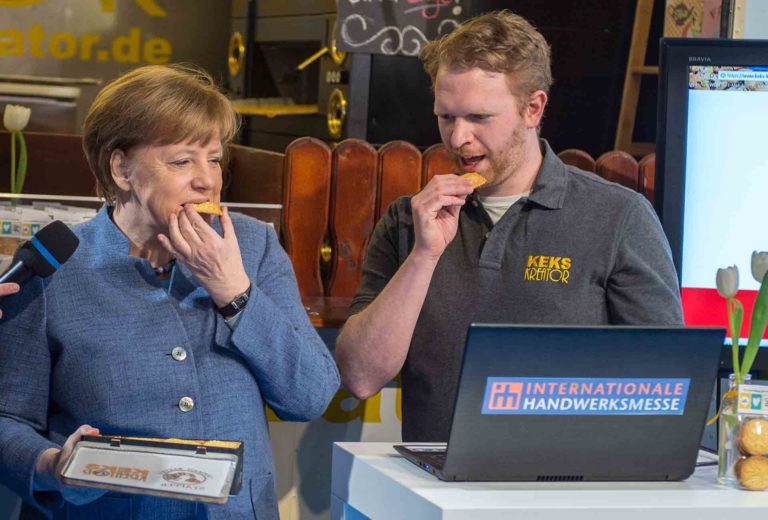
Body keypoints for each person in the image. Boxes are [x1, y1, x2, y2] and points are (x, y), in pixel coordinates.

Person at [0, 64, 340, 519]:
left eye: (215, 158)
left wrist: (233, 290)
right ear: (121, 168)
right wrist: (52, 465)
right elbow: (9, 422)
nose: (207, 180)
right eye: (182, 161)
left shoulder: (253, 246)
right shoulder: (54, 265)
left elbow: (310, 397)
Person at [335, 10, 683, 442]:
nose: (458, 137)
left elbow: (667, 389)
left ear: (533, 108)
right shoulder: (408, 221)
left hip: (564, 493)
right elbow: (361, 377)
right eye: (446, 117)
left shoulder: (618, 217)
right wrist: (424, 256)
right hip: (434, 493)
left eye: (479, 118)